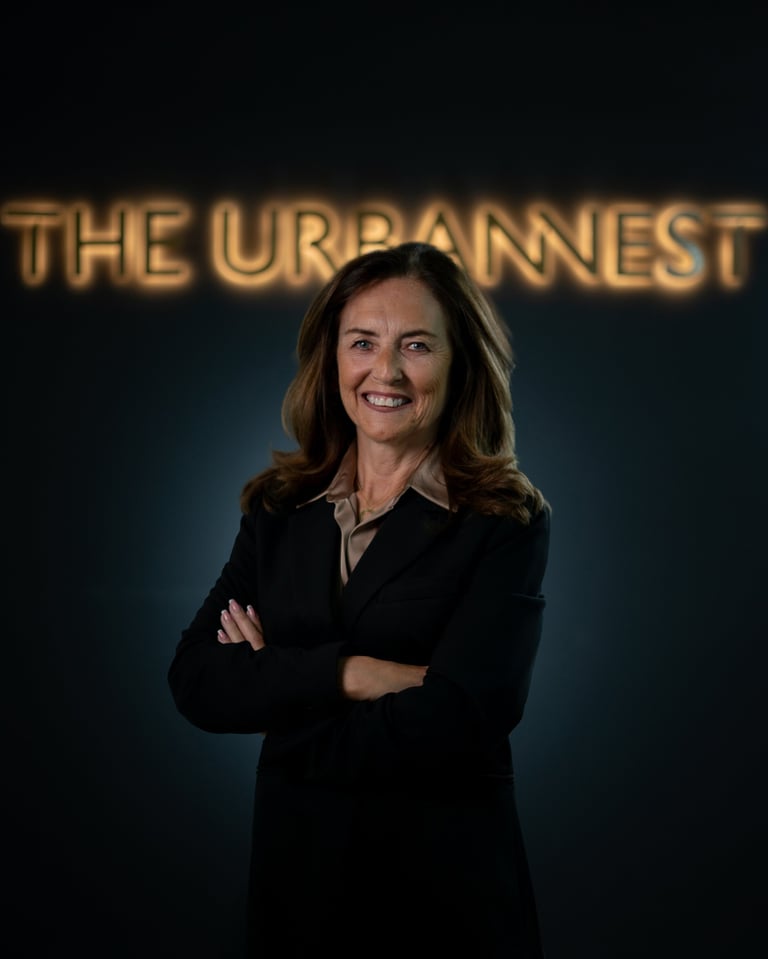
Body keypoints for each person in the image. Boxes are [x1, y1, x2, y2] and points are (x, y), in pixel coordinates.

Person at [167, 240, 551, 958]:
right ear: (332, 358)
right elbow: (197, 681)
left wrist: (279, 698)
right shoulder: (280, 508)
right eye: (363, 342)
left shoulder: (502, 518)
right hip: (298, 896)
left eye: (417, 345)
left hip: (446, 904)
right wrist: (356, 674)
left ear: (460, 362)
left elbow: (463, 717)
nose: (387, 371)